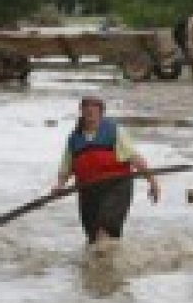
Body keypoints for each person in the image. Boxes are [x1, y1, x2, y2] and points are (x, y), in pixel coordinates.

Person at [54, 96, 160, 247]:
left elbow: (135, 158)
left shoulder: (114, 132)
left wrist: (153, 182)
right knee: (92, 238)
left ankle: (110, 257)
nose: (90, 114)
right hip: (88, 190)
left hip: (116, 187)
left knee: (104, 230)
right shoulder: (74, 139)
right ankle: (105, 260)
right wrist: (59, 186)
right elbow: (66, 168)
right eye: (87, 111)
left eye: (94, 111)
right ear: (81, 112)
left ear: (101, 113)